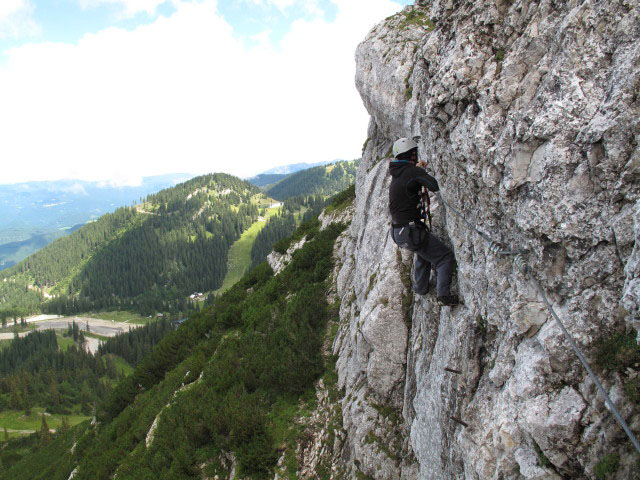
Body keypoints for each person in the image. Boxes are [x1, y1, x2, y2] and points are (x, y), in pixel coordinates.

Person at [388, 137, 459, 306]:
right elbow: (434, 185)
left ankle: (420, 287)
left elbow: (409, 182)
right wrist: (421, 173)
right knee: (444, 257)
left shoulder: (397, 173)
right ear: (412, 154)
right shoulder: (412, 172)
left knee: (423, 252)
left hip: (398, 232)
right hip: (411, 232)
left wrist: (416, 172)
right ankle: (444, 294)